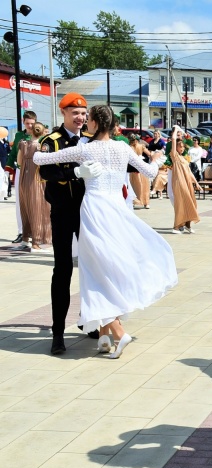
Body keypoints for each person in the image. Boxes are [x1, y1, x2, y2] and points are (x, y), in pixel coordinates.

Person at [33, 104, 175, 359]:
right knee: (111, 265)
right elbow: (151, 172)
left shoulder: (86, 148)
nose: (84, 121)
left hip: (94, 211)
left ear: (96, 124)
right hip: (117, 211)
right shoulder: (122, 147)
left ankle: (115, 332)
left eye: (87, 119)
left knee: (95, 270)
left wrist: (75, 169)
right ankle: (104, 334)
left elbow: (38, 159)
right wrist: (156, 158)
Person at [37, 94, 105, 354]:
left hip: (88, 212)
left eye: (83, 113)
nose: (80, 118)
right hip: (64, 212)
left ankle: (88, 321)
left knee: (91, 268)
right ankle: (57, 333)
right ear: (63, 113)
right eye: (75, 112)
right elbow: (45, 172)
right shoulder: (52, 142)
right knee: (63, 269)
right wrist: (74, 172)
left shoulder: (90, 141)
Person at [17, 122, 52, 252]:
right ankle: (37, 242)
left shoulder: (23, 144)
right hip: (37, 180)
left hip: (24, 180)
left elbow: (19, 162)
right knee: (38, 209)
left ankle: (25, 239)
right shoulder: (42, 147)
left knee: (25, 208)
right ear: (43, 132)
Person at [6, 110, 37, 244]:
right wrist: (7, 169)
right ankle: (21, 232)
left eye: (32, 123)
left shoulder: (41, 135)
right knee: (20, 202)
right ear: (24, 122)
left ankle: (36, 232)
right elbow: (13, 153)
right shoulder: (19, 135)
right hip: (20, 170)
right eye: (27, 123)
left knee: (35, 201)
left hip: (36, 172)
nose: (30, 126)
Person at [166, 128, 200, 234]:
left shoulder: (184, 159)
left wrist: (197, 183)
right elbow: (173, 140)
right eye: (179, 147)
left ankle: (187, 225)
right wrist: (176, 130)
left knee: (191, 202)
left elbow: (189, 172)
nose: (181, 148)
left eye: (182, 147)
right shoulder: (174, 156)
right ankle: (176, 226)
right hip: (179, 182)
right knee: (181, 203)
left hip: (187, 182)